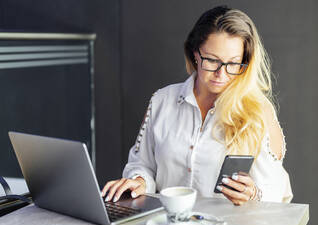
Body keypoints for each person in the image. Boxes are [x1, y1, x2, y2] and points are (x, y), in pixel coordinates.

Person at [102, 5, 293, 206]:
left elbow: (277, 190)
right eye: (212, 60)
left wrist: (253, 193)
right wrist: (138, 181)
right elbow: (142, 165)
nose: (222, 74)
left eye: (233, 63)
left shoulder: (258, 111)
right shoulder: (162, 100)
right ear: (195, 53)